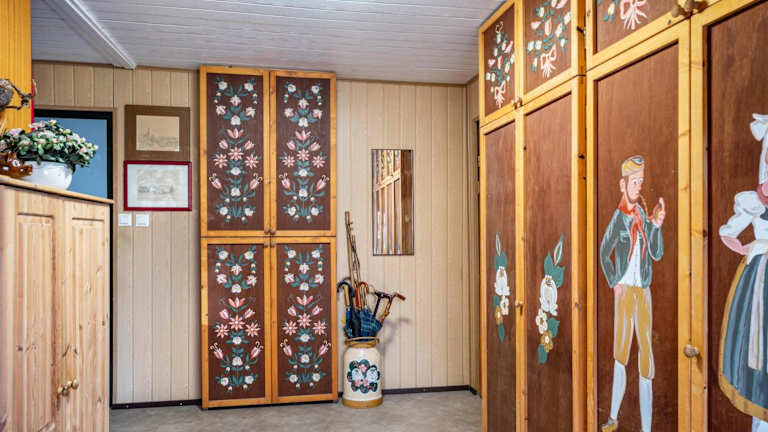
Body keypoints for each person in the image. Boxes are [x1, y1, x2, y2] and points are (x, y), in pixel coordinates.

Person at [599, 155, 666, 432]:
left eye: (640, 181)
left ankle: (646, 428)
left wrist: (657, 227)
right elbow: (604, 251)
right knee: (621, 353)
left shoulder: (644, 217)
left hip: (643, 292)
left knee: (646, 356)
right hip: (625, 292)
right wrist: (614, 282)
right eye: (634, 182)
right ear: (622, 184)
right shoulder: (619, 219)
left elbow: (657, 253)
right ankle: (613, 417)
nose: (638, 187)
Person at [718, 113, 768, 432]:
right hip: (760, 280)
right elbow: (727, 233)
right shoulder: (753, 201)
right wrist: (749, 248)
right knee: (758, 352)